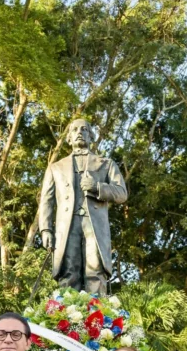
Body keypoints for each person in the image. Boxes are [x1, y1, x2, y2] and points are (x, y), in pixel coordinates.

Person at [38, 118, 128, 295]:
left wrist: (97, 187)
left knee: (95, 272)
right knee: (68, 272)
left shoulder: (106, 164)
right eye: (75, 130)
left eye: (84, 129)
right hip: (67, 227)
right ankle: (67, 312)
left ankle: (97, 311)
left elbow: (122, 193)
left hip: (94, 226)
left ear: (91, 136)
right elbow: (46, 200)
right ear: (69, 138)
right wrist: (45, 229)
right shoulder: (55, 168)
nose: (79, 132)